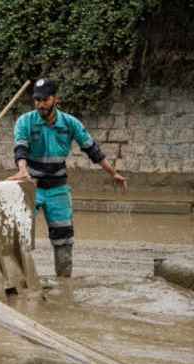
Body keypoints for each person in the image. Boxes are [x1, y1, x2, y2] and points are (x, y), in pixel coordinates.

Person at [8, 78, 128, 277]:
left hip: (58, 189)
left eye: (44, 100)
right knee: (18, 234)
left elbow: (93, 151)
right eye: (36, 100)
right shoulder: (25, 121)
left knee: (63, 238)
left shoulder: (70, 123)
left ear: (56, 99)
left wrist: (113, 173)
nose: (40, 104)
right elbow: (20, 148)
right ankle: (20, 281)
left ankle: (64, 284)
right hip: (31, 185)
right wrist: (22, 169)